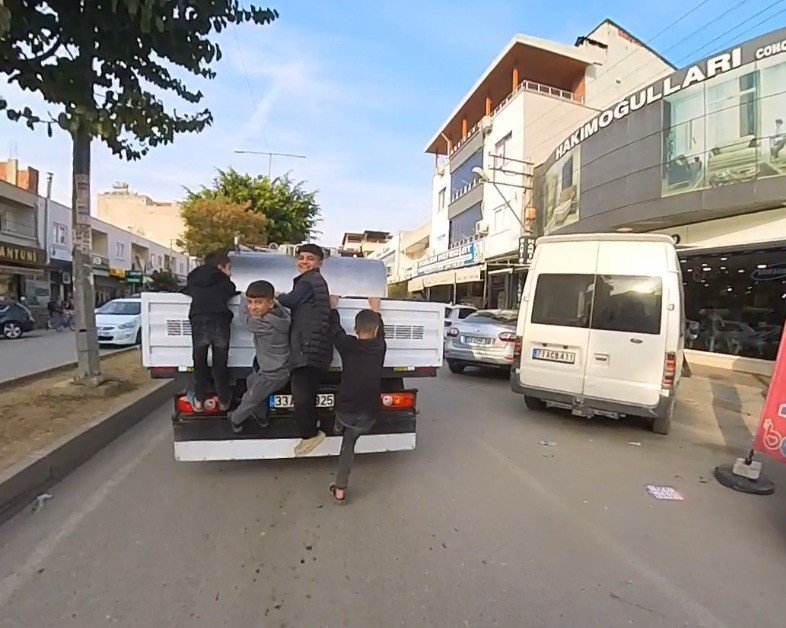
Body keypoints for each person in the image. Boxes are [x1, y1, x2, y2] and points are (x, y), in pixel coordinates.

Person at [327, 296, 386, 504]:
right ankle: (340, 489)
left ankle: (336, 426)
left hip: (346, 411)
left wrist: (333, 306)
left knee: (340, 412)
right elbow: (381, 332)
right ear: (377, 331)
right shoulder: (380, 348)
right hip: (368, 416)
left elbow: (335, 330)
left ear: (355, 329)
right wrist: (376, 309)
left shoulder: (347, 345)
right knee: (349, 445)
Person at [277, 244, 333, 456]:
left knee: (301, 392)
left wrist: (274, 296)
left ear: (319, 263)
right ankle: (311, 429)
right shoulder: (313, 281)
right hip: (312, 345)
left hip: (308, 346)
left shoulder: (309, 281)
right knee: (306, 392)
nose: (304, 261)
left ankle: (310, 434)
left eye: (310, 258)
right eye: (301, 257)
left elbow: (291, 301)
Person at [228, 281, 291, 433]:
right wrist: (275, 301)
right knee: (251, 381)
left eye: (258, 302)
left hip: (273, 374)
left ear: (269, 304)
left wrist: (243, 298)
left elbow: (244, 318)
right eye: (250, 302)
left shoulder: (263, 324)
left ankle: (235, 420)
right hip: (276, 368)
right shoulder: (281, 316)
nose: (253, 307)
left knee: (251, 398)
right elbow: (279, 307)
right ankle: (261, 417)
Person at [182, 250, 238, 412]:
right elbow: (230, 291)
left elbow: (186, 291)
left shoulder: (194, 278)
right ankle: (223, 401)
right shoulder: (223, 281)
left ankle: (199, 400)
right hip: (219, 320)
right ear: (220, 266)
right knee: (220, 363)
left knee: (199, 361)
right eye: (229, 268)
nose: (230, 272)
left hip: (199, 320)